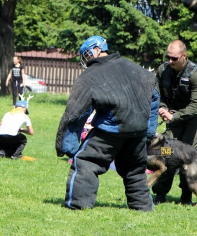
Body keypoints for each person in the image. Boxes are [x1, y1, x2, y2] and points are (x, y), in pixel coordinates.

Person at [55, 35, 160, 211]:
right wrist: (148, 131)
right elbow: (154, 101)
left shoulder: (89, 76)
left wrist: (67, 146)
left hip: (111, 129)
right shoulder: (139, 71)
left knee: (86, 162)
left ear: (96, 50)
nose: (86, 60)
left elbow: (75, 114)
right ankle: (143, 208)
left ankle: (78, 205)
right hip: (138, 131)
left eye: (87, 55)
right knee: (134, 169)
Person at [152, 40, 197, 205]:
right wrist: (163, 109)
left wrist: (174, 116)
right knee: (165, 153)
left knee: (188, 156)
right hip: (173, 119)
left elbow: (195, 105)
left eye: (174, 58)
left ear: (184, 56)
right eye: (168, 57)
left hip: (193, 121)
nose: (170, 61)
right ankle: (160, 194)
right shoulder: (163, 70)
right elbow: (159, 95)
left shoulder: (194, 74)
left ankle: (187, 196)